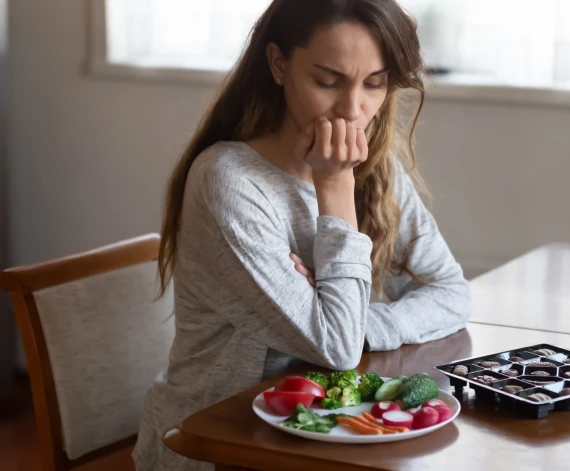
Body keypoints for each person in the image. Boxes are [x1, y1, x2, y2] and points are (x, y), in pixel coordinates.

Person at [133, 0, 471, 469]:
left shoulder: (376, 168)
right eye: (327, 81)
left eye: (375, 84)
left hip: (328, 433)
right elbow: (336, 349)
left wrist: (360, 324)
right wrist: (334, 187)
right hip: (217, 445)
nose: (354, 110)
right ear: (279, 64)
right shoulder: (229, 181)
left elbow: (451, 292)